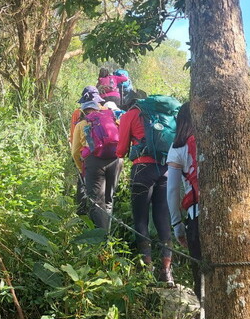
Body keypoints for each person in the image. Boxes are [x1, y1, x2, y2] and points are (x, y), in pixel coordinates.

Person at [116, 94, 180, 286]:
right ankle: (166, 272)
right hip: (165, 170)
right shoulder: (166, 114)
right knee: (163, 218)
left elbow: (121, 150)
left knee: (141, 219)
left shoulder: (130, 115)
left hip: (142, 171)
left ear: (130, 103)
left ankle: (147, 270)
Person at [166, 102, 202, 298]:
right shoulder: (215, 139)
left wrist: (177, 226)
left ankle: (205, 313)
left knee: (201, 276)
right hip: (228, 215)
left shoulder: (178, 147)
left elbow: (172, 190)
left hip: (196, 216)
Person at [71, 98, 122, 232]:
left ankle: (101, 237)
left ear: (84, 111)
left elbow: (75, 151)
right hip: (114, 160)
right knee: (108, 199)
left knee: (97, 201)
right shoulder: (111, 120)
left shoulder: (81, 124)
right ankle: (108, 232)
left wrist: (80, 168)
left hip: (94, 162)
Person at [70, 86, 101, 216]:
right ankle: (104, 223)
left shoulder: (78, 114)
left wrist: (79, 166)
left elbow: (75, 145)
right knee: (103, 195)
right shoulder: (105, 112)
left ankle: (82, 215)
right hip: (109, 158)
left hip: (87, 157)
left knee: (84, 186)